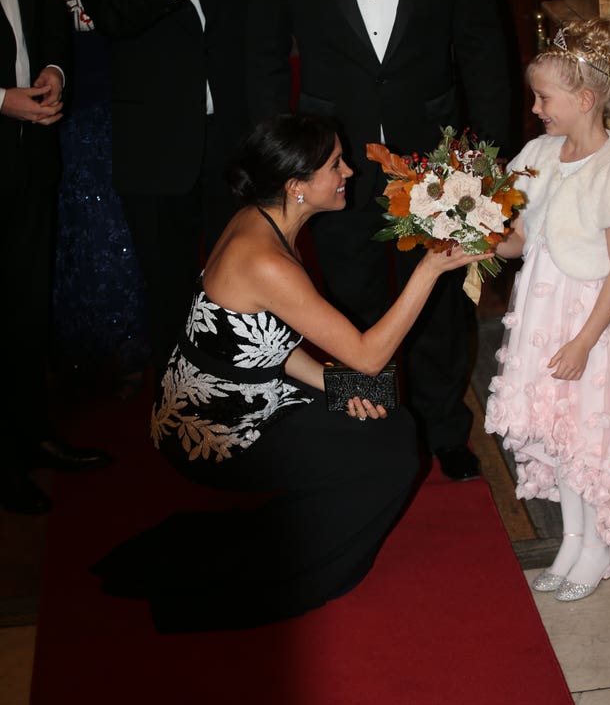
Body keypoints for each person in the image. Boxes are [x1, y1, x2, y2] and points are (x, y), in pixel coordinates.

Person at [91, 114, 487, 632]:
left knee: (382, 409)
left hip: (233, 391)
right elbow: (368, 355)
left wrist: (336, 386)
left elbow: (258, 342)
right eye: (335, 165)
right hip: (216, 431)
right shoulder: (267, 259)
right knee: (392, 445)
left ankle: (305, 529)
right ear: (297, 187)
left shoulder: (263, 218)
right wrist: (430, 269)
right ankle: (309, 570)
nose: (349, 172)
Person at [247, 0, 512, 481]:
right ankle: (368, 430)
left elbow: (482, 43)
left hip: (437, 153)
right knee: (348, 298)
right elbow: (261, 55)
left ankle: (444, 429)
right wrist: (282, 160)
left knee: (441, 302)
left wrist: (490, 159)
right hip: (331, 160)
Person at [68, 0, 250, 373]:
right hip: (153, 153)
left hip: (228, 141)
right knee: (169, 287)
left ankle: (243, 388)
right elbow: (117, 18)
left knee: (239, 276)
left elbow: (248, 33)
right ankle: (181, 406)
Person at [485, 17, 610, 601]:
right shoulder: (540, 153)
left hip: (586, 321)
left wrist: (581, 343)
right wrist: (473, 237)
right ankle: (572, 540)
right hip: (540, 312)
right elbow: (522, 238)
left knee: (586, 430)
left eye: (544, 97)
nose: (535, 108)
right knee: (557, 430)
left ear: (584, 98)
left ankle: (598, 546)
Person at [0, 0, 111, 516]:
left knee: (25, 306)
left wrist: (54, 72)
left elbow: (45, 12)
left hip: (30, 150)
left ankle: (31, 435)